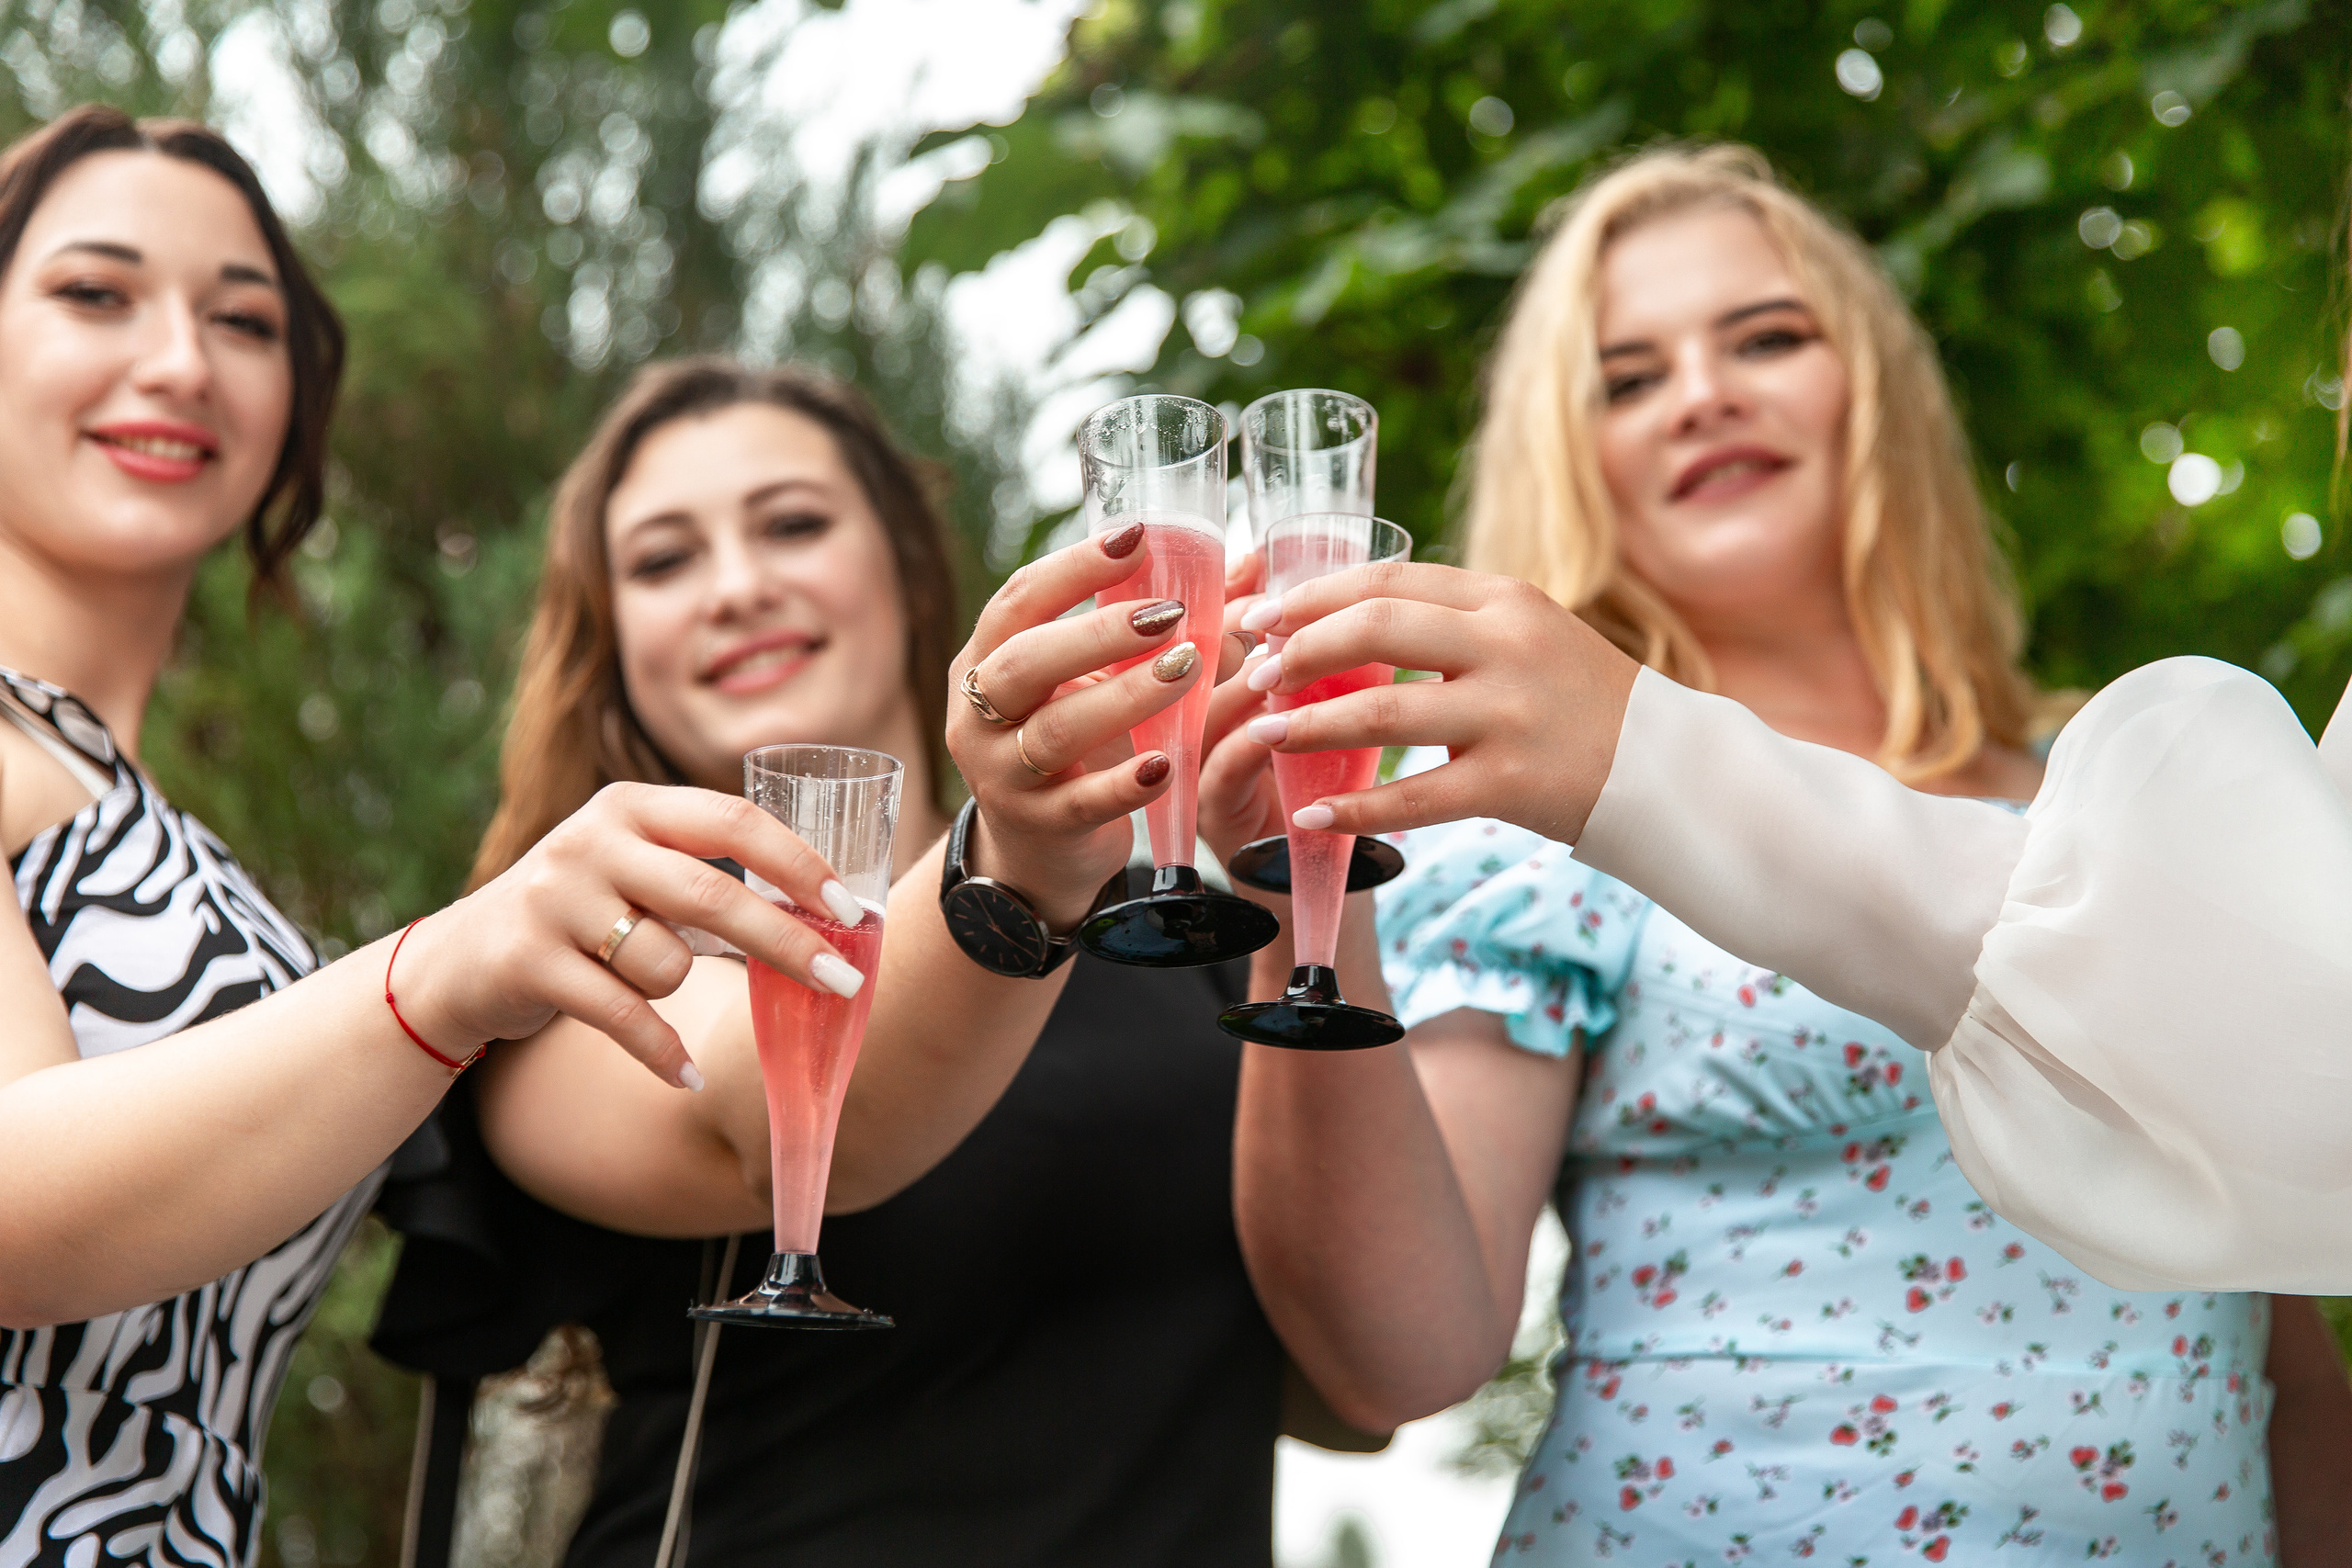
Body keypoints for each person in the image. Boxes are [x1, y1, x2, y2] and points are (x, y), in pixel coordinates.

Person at [1207, 145, 2350, 1564]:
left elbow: (2289, 1339)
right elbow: (1399, 1353)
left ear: (1875, 385)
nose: (1703, 393)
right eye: (1629, 377)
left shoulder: (2118, 802)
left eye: (1767, 336)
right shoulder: (1532, 830)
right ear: (1579, 455)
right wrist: (1293, 882)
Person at [0, 110, 901, 1562]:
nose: (178, 359)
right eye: (95, 293)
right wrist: (446, 971)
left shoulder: (134, 811)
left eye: (244, 319)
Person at [376, 357, 1313, 1567]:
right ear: (611, 641)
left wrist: (1305, 864)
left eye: (794, 524)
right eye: (665, 560)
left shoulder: (1178, 938)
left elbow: (1362, 1389)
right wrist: (1019, 852)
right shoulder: (557, 969)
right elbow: (799, 1125)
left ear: (909, 569)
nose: (738, 586)